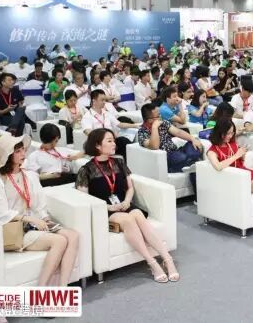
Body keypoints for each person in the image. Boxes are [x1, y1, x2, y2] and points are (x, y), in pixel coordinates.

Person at [77, 128, 179, 282]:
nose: (114, 143)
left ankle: (167, 259)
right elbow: (85, 200)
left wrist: (126, 201)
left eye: (113, 140)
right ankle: (151, 262)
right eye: (109, 141)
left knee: (138, 215)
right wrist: (109, 207)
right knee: (129, 220)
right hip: (105, 211)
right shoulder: (85, 170)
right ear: (97, 145)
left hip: (124, 205)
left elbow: (130, 188)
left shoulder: (118, 162)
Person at [0, 134, 79, 286]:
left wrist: (46, 219)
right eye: (18, 151)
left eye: (23, 150)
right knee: (60, 241)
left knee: (73, 236)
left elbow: (39, 205)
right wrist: (30, 219)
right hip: (17, 229)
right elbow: (1, 213)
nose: (23, 154)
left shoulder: (30, 176)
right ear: (8, 156)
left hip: (35, 223)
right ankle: (41, 289)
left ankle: (63, 287)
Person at [138, 103, 203, 192]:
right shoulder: (142, 132)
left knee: (194, 145)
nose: (161, 117)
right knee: (181, 157)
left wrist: (192, 139)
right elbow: (155, 146)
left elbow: (178, 132)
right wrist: (154, 127)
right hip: (166, 157)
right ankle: (190, 163)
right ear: (150, 120)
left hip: (176, 151)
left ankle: (187, 164)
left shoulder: (163, 123)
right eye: (158, 116)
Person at [81, 90, 140, 158]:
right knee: (123, 142)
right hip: (99, 144)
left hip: (111, 141)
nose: (104, 102)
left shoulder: (106, 113)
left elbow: (120, 124)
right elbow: (89, 132)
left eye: (105, 100)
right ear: (94, 101)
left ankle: (131, 161)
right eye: (102, 100)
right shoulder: (87, 116)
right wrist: (104, 137)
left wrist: (135, 125)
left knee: (124, 142)